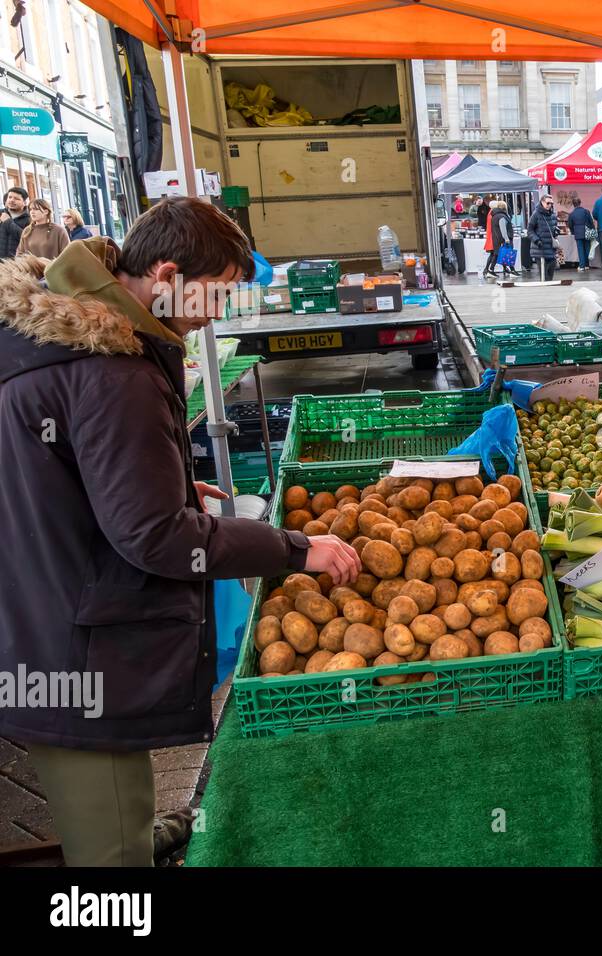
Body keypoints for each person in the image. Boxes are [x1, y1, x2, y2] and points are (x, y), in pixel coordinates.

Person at [0, 197, 361, 866]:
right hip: (71, 640)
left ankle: (135, 836)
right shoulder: (111, 370)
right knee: (106, 843)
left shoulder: (57, 329)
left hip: (39, 602)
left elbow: (55, 467)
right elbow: (156, 537)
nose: (215, 315)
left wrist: (155, 480)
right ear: (166, 274)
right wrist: (296, 549)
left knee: (116, 786)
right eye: (216, 295)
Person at [528, 193, 559, 280]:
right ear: (542, 202)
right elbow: (530, 230)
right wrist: (537, 240)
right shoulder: (536, 214)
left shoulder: (553, 215)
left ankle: (549, 291)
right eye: (547, 203)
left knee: (550, 275)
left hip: (551, 248)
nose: (550, 205)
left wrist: (556, 231)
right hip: (540, 249)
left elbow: (554, 227)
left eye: (551, 203)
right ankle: (544, 291)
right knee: (544, 276)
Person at [489, 200, 518, 277]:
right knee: (509, 253)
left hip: (497, 238)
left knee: (498, 254)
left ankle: (491, 270)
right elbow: (503, 228)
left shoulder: (494, 216)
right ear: (505, 207)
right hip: (504, 239)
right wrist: (506, 239)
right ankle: (512, 271)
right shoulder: (502, 216)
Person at [0, 186, 30, 259]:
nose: (12, 200)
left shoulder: (30, 219)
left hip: (17, 263)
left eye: (16, 199)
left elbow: (27, 239)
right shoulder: (0, 213)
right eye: (10, 197)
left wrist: (8, 222)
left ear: (25, 202)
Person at [566, 197, 595, 272]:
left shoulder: (571, 214)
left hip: (578, 233)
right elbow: (591, 222)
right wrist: (593, 230)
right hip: (587, 232)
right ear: (580, 203)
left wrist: (573, 232)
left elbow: (570, 225)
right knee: (587, 248)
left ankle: (582, 266)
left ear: (573, 204)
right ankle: (586, 265)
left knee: (580, 250)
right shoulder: (586, 211)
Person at [481, 199, 499, 279]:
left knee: (492, 254)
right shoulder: (493, 213)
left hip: (491, 235)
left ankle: (487, 269)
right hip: (493, 236)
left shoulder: (490, 213)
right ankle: (489, 270)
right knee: (494, 254)